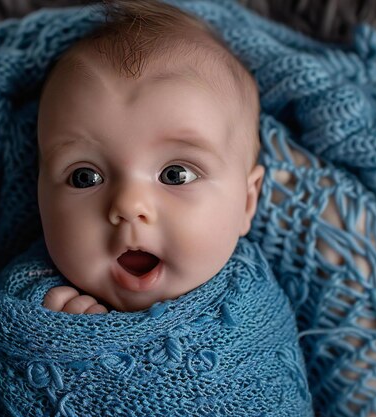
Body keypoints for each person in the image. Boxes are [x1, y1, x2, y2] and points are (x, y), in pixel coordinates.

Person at [37, 0, 265, 313]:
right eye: (84, 177)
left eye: (176, 174)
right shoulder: (30, 306)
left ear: (247, 201)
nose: (129, 205)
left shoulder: (255, 306)